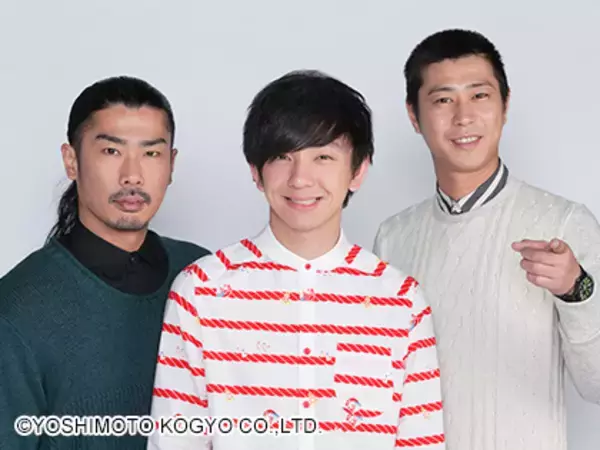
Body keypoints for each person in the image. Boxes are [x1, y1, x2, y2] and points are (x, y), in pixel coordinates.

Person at [147, 70, 446, 449]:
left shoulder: (402, 302)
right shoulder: (200, 291)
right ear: (256, 172)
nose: (300, 179)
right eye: (282, 157)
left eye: (323, 157)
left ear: (358, 170)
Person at [373, 28, 600, 450]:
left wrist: (576, 289)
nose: (464, 117)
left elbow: (597, 384)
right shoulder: (393, 238)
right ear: (413, 116)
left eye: (480, 95)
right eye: (443, 100)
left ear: (505, 104)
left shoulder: (564, 223)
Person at [0, 76, 210, 449]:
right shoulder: (18, 308)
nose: (133, 175)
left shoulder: (202, 278)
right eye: (111, 151)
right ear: (71, 161)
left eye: (151, 153)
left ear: (172, 164)